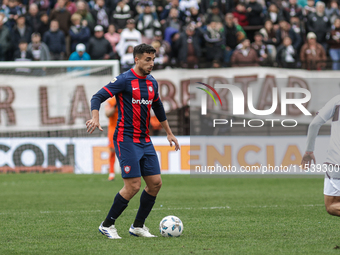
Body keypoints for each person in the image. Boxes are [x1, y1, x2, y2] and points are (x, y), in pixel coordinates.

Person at [86, 43, 180, 239]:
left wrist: (169, 133)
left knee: (155, 183)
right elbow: (97, 97)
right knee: (133, 186)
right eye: (148, 59)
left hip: (144, 139)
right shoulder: (124, 80)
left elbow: (159, 107)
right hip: (125, 138)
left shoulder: (152, 82)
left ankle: (138, 226)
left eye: (153, 59)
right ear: (136, 59)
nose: (151, 63)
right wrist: (95, 117)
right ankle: (107, 225)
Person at [301, 94, 340, 217]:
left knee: (332, 205)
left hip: (336, 161)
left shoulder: (337, 100)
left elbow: (314, 124)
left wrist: (309, 151)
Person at [105, 97, 119, 181]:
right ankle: (111, 173)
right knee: (112, 150)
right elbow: (107, 114)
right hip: (113, 129)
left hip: (125, 128)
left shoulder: (127, 99)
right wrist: (115, 105)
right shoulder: (111, 101)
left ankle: (127, 172)